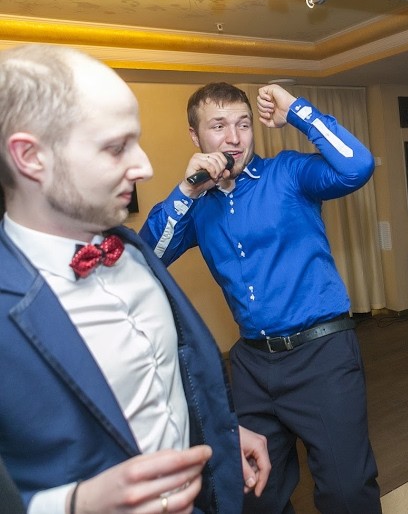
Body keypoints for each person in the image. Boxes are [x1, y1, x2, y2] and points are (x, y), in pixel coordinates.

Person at [0, 44, 270, 512]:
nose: (144, 167)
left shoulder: (135, 252)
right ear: (30, 157)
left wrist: (218, 430)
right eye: (115, 147)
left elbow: (166, 380)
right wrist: (74, 504)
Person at [140, 82, 381, 513]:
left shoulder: (286, 173)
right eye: (219, 126)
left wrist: (298, 112)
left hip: (322, 354)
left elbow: (356, 166)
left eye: (243, 124)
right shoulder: (197, 205)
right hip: (252, 364)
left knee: (347, 492)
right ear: (195, 136)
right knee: (254, 490)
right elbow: (147, 258)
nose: (234, 138)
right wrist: (187, 192)